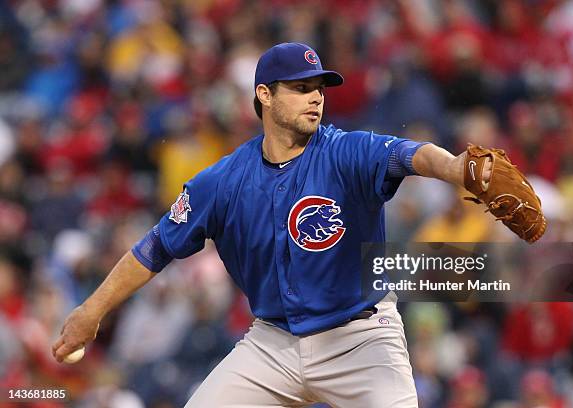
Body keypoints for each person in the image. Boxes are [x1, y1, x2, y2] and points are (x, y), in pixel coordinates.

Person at [52, 42, 493, 407]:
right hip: (273, 344)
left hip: (360, 339)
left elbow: (408, 154)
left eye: (319, 88)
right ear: (265, 95)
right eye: (301, 88)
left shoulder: (345, 152)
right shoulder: (222, 181)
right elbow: (154, 248)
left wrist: (455, 168)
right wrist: (91, 310)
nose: (316, 97)